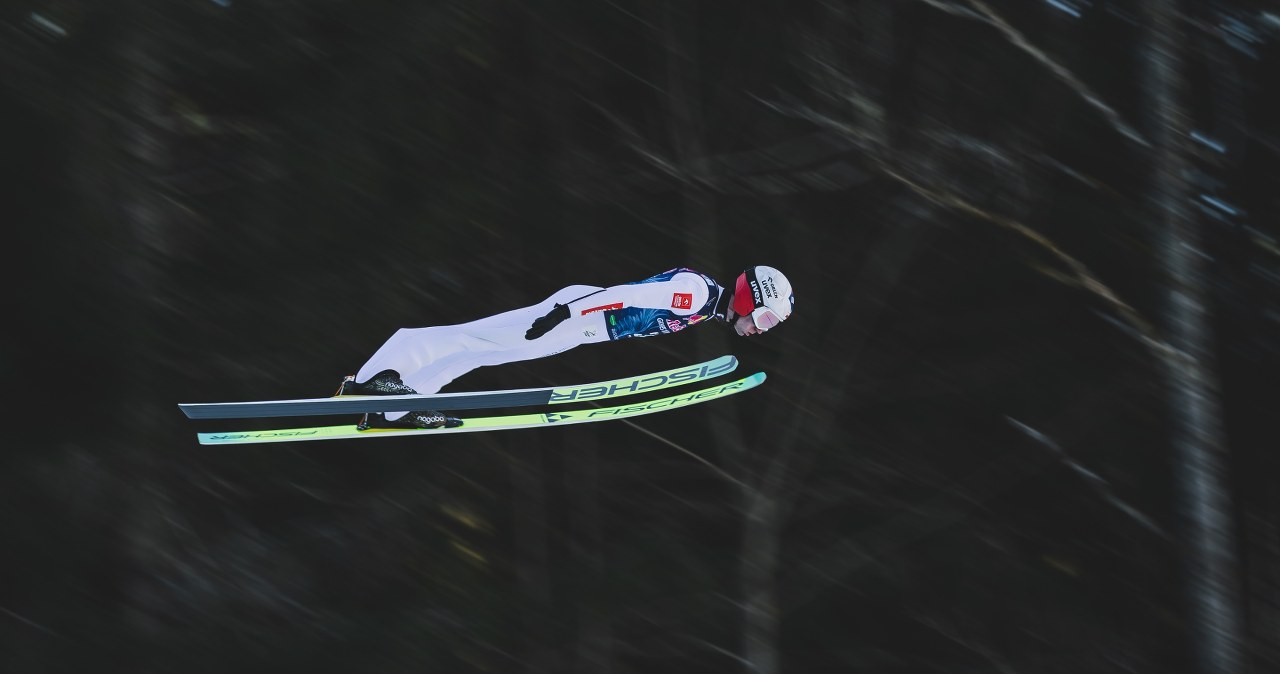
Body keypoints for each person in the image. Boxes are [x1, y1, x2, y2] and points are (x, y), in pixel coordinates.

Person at [338, 265, 795, 429]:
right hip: (579, 315)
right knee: (473, 336)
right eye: (767, 317)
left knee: (481, 353)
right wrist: (567, 313)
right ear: (749, 298)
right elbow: (628, 295)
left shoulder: (706, 306)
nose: (763, 328)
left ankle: (394, 409)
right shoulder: (696, 292)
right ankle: (373, 382)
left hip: (581, 326)